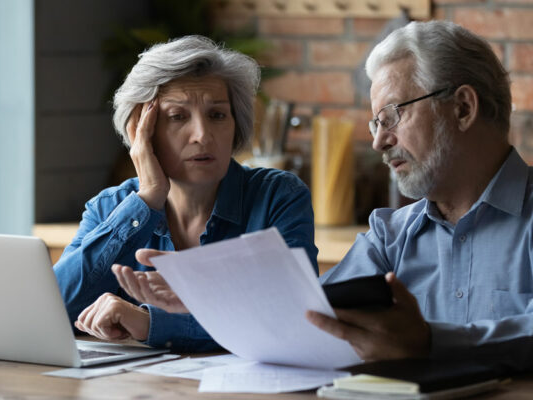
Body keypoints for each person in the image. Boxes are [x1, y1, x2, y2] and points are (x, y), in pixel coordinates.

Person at [53, 35, 318, 352]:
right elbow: (50, 310)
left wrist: (150, 323)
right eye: (178, 117)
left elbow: (295, 317)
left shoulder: (278, 197)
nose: (203, 135)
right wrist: (148, 197)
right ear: (142, 131)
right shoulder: (110, 207)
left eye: (217, 115)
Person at [306, 20, 533, 373]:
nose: (379, 141)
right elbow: (313, 321)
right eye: (375, 124)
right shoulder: (388, 237)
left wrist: (429, 343)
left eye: (392, 116)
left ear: (462, 108)